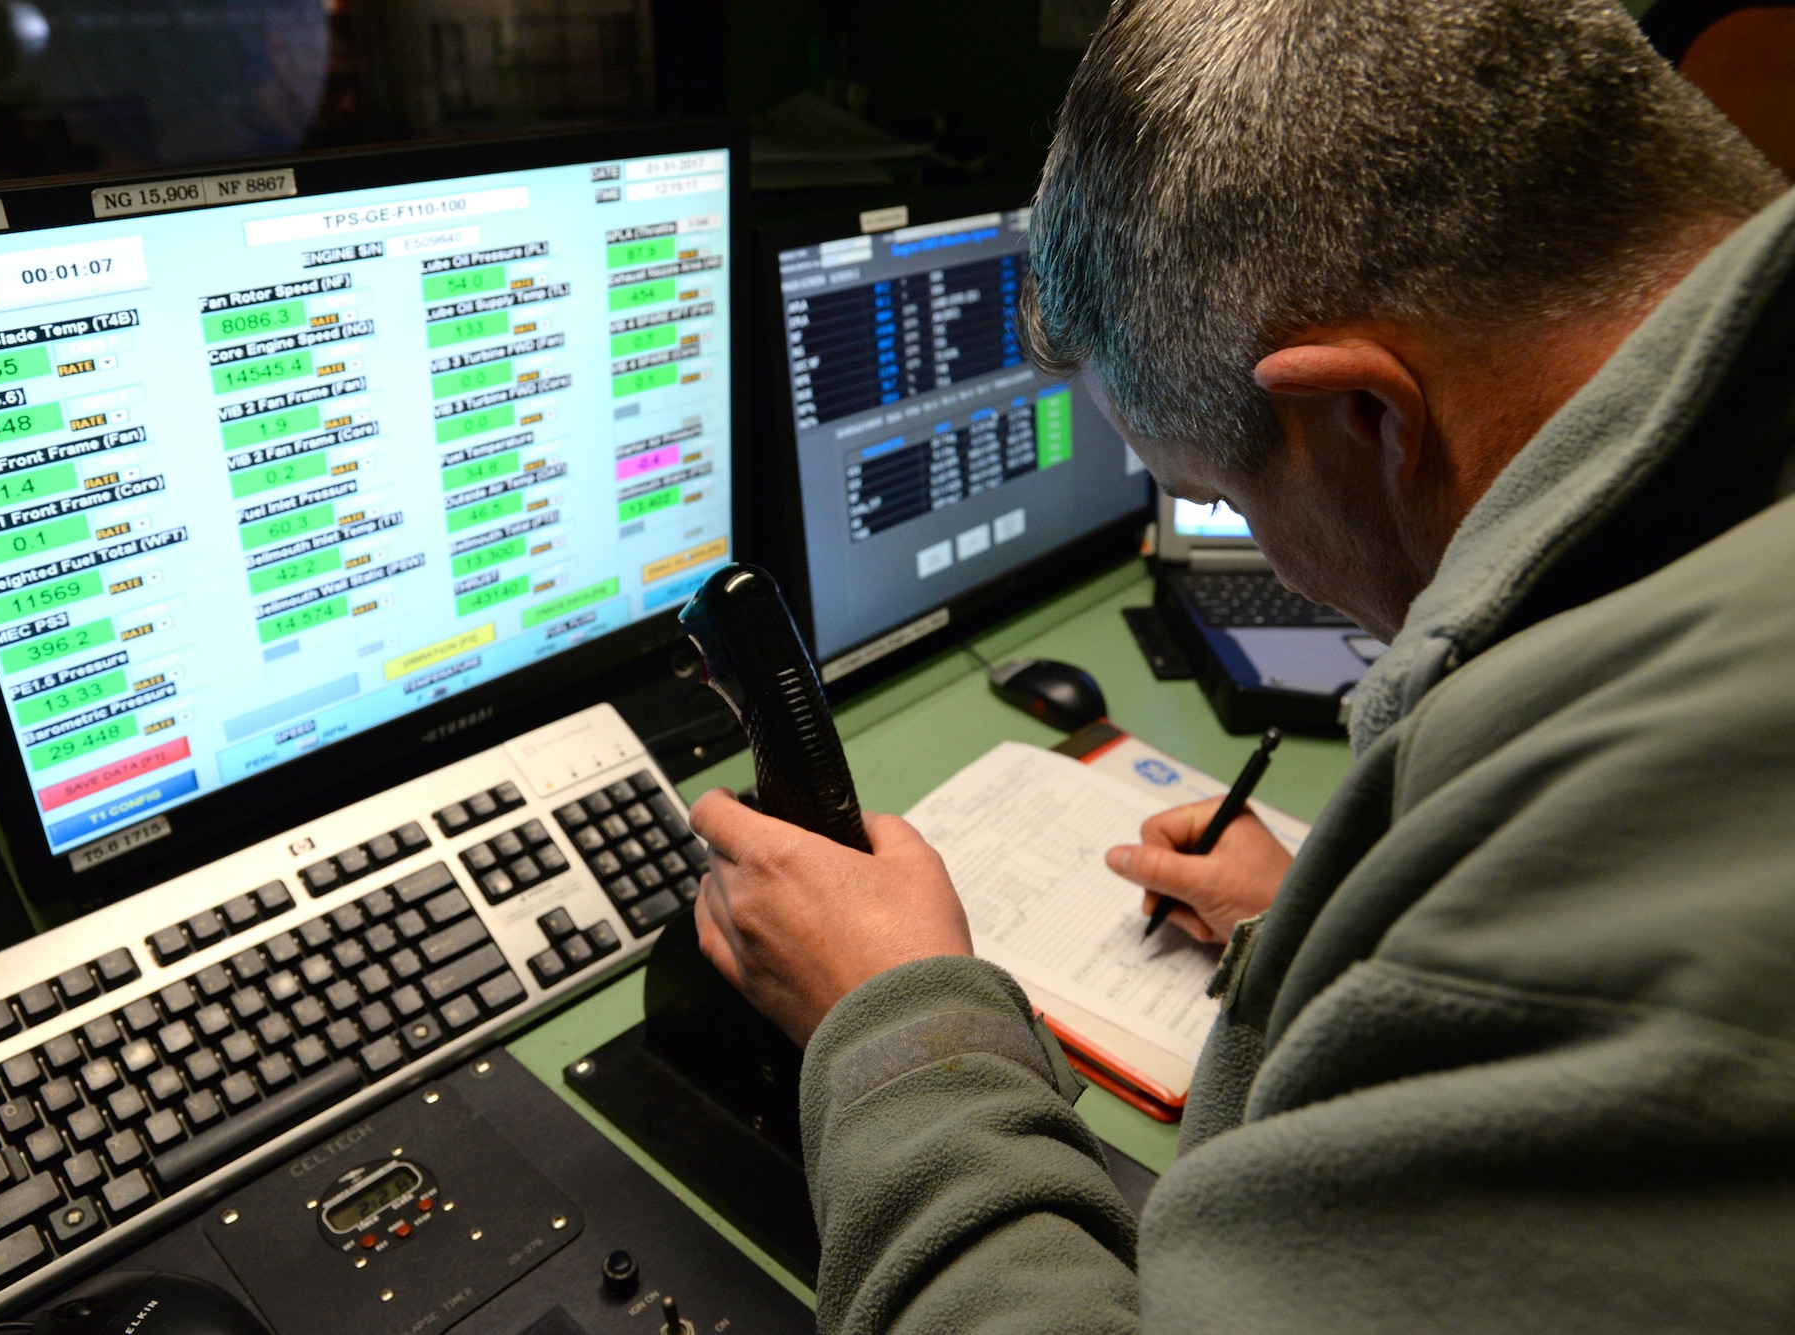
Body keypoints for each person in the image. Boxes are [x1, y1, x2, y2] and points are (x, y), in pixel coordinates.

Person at [686, 0, 1795, 1330]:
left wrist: (901, 1025)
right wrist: (1331, 920)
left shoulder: (1588, 901)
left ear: (1368, 415)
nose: (1274, 554)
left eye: (1222, 497)